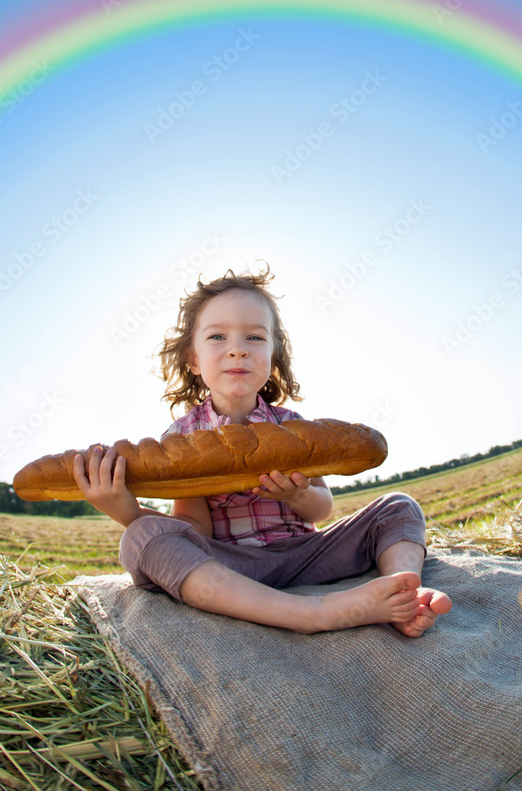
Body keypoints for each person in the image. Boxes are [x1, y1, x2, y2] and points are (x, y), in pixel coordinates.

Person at [74, 263, 452, 637]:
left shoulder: (293, 426)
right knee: (143, 538)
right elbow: (195, 529)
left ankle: (405, 592)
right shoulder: (181, 438)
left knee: (399, 506)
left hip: (310, 555)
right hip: (233, 570)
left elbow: (323, 507)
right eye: (217, 337)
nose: (237, 350)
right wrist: (128, 513)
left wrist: (300, 495)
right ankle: (311, 612)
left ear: (273, 355)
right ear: (192, 359)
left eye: (254, 338)